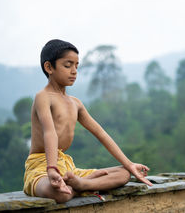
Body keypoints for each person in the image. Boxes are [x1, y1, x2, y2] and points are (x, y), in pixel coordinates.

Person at [23, 39, 152, 203]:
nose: (74, 71)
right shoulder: (43, 97)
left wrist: (129, 163)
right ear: (49, 67)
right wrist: (52, 168)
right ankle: (84, 184)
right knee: (62, 193)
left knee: (125, 173)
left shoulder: (75, 103)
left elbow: (101, 134)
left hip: (68, 168)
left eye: (77, 66)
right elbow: (50, 132)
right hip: (42, 167)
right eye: (68, 65)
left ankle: (82, 184)